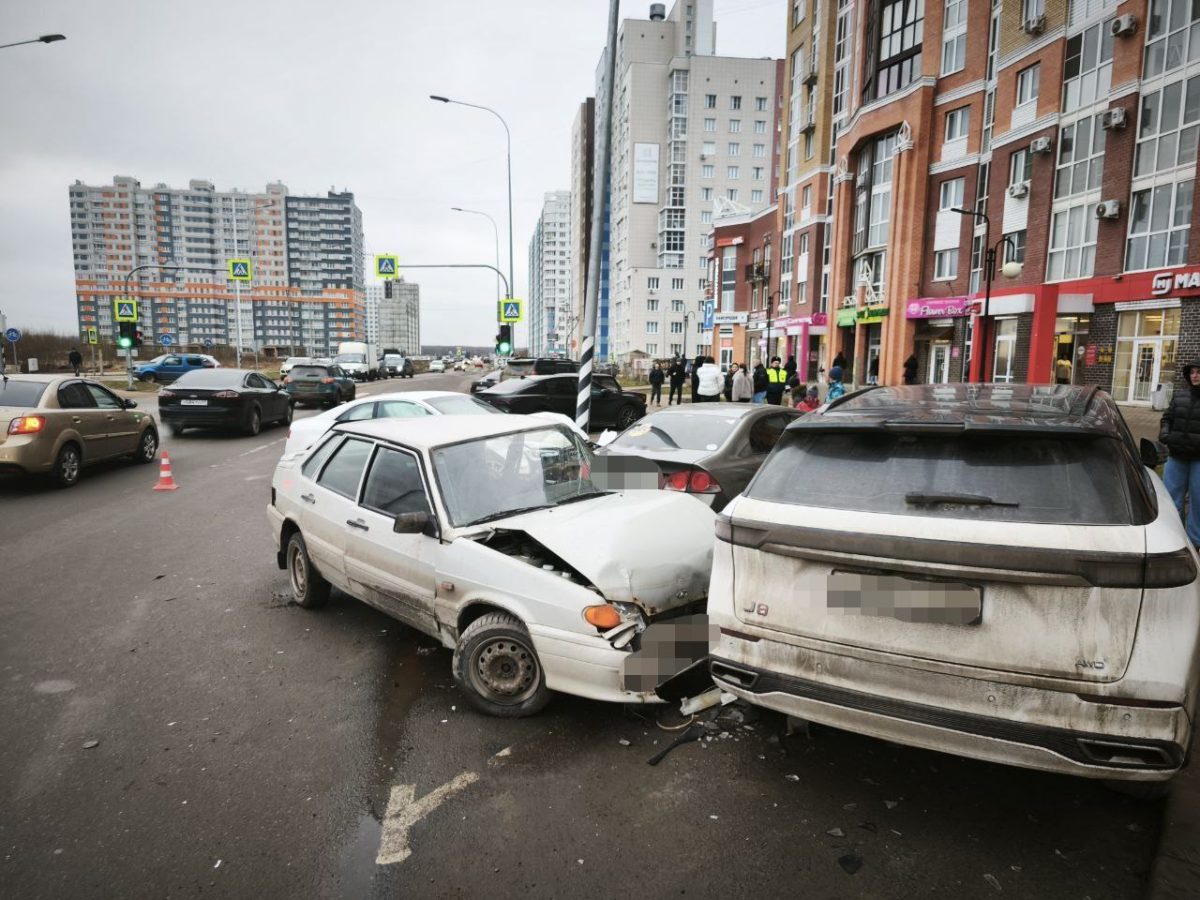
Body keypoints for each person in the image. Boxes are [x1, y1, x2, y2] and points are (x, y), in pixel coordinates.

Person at [1161, 360, 1200, 547]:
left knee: (1198, 502)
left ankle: (1195, 542)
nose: (1195, 375)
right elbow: (1167, 418)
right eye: (1192, 372)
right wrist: (1165, 434)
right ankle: (1173, 539)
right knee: (1170, 499)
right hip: (1177, 457)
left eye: (1199, 372)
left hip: (1199, 460)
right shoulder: (1180, 396)